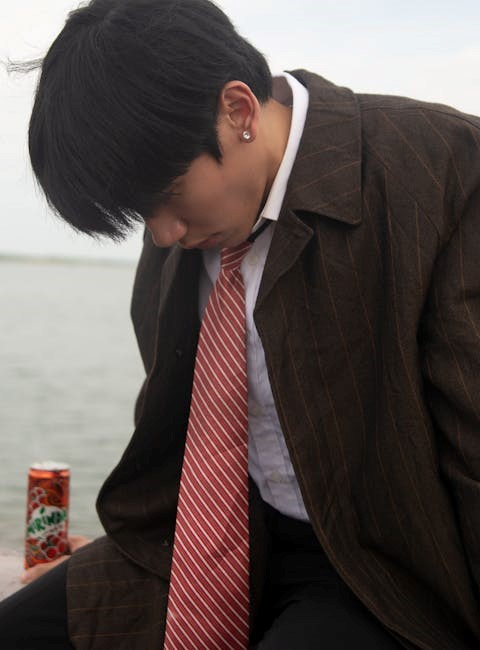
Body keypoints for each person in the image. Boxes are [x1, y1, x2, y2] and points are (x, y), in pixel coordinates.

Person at [1, 0, 479, 648]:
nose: (163, 234)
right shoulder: (186, 220)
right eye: (141, 214)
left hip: (383, 572)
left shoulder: (444, 168)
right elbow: (182, 421)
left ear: (237, 110)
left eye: (167, 197)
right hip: (209, 541)